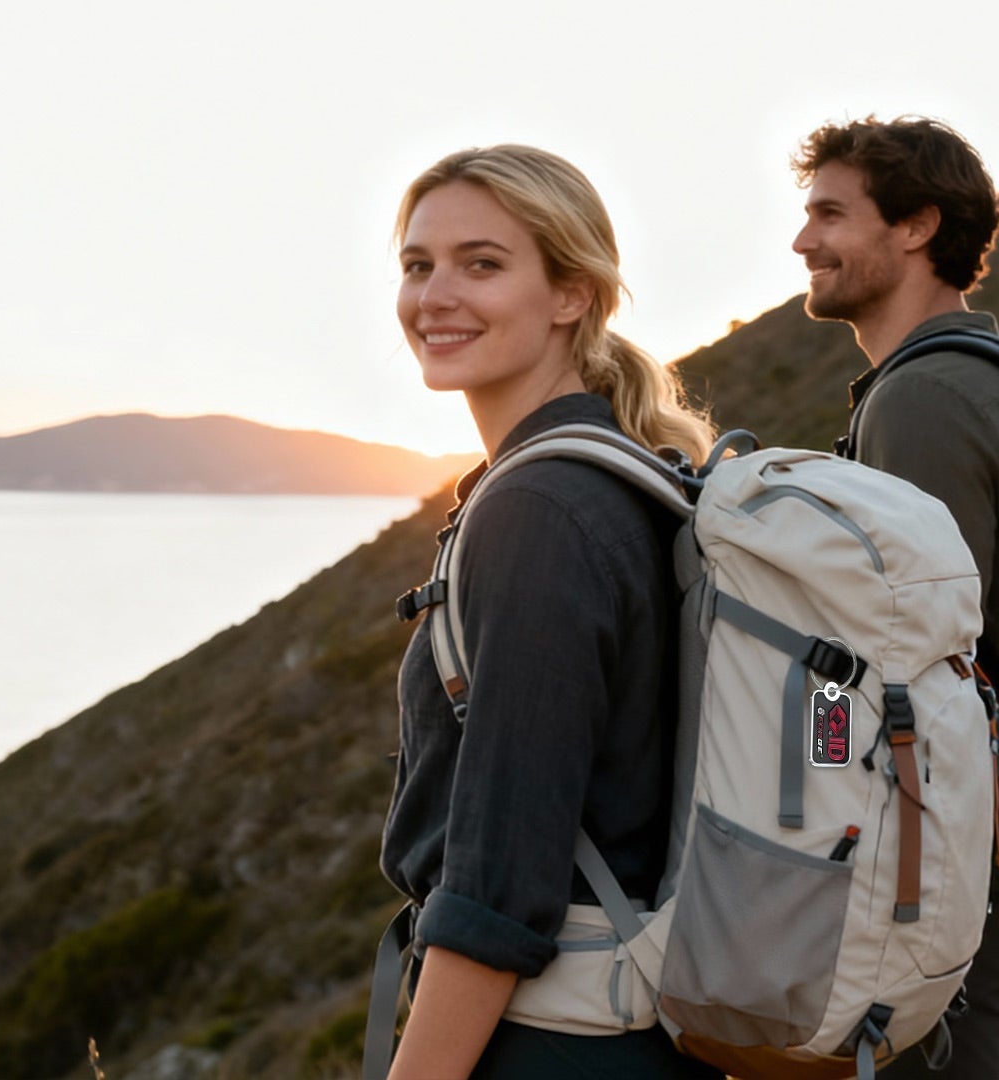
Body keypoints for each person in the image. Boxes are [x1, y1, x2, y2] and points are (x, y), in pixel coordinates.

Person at [376, 145, 721, 1080]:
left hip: (554, 1041)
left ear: (572, 294)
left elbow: (500, 881)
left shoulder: (539, 509)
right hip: (638, 1027)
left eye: (482, 264)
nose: (435, 295)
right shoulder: (627, 472)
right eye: (418, 265)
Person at [790, 116, 999, 1080]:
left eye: (831, 215)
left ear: (916, 227)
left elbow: (916, 658)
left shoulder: (922, 400)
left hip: (967, 865)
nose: (804, 242)